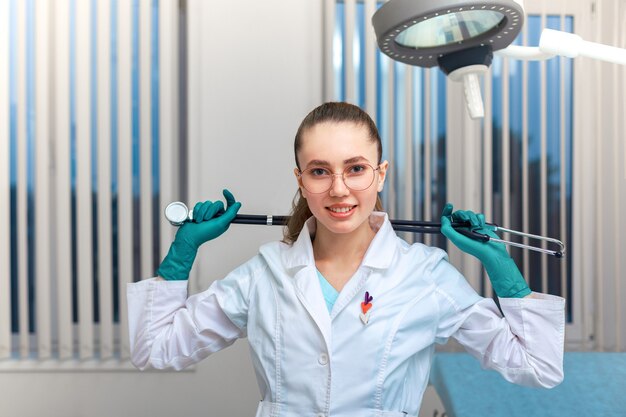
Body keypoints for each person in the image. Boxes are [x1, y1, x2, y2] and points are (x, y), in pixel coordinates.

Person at [127, 102, 565, 417]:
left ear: (381, 172)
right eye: (320, 171)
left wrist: (501, 269)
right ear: (300, 179)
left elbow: (538, 367)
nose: (339, 189)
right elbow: (155, 350)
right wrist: (181, 254)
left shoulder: (425, 276)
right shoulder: (265, 274)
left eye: (356, 168)